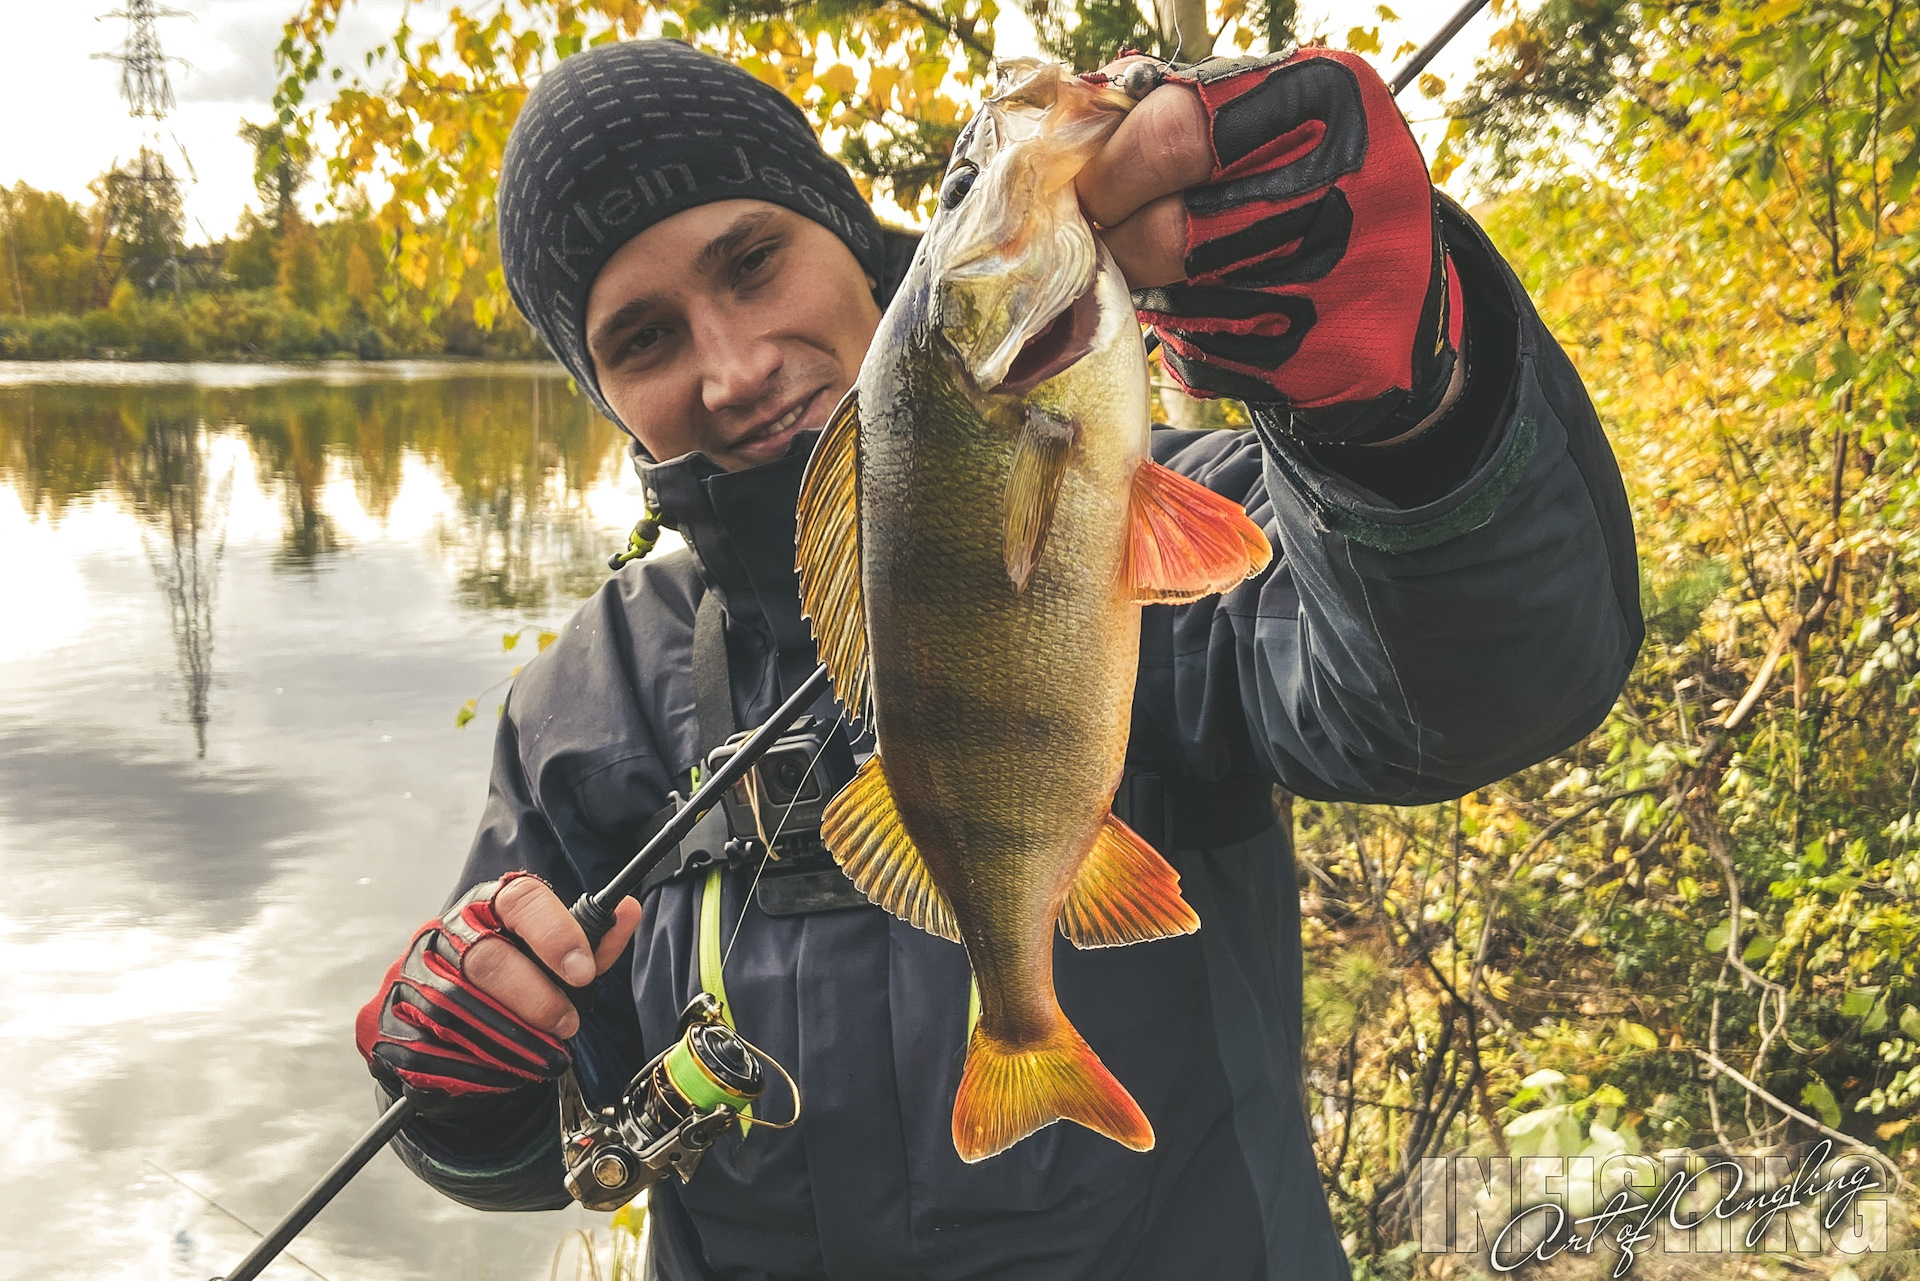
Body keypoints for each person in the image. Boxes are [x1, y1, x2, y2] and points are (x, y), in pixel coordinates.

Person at [354, 37, 1642, 1281]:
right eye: (643, 339)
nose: (733, 367)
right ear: (607, 394)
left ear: (861, 251)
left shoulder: (1182, 523)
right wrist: (464, 1096)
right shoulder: (596, 693)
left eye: (752, 263)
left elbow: (1472, 693)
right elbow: (560, 1147)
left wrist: (1400, 411)